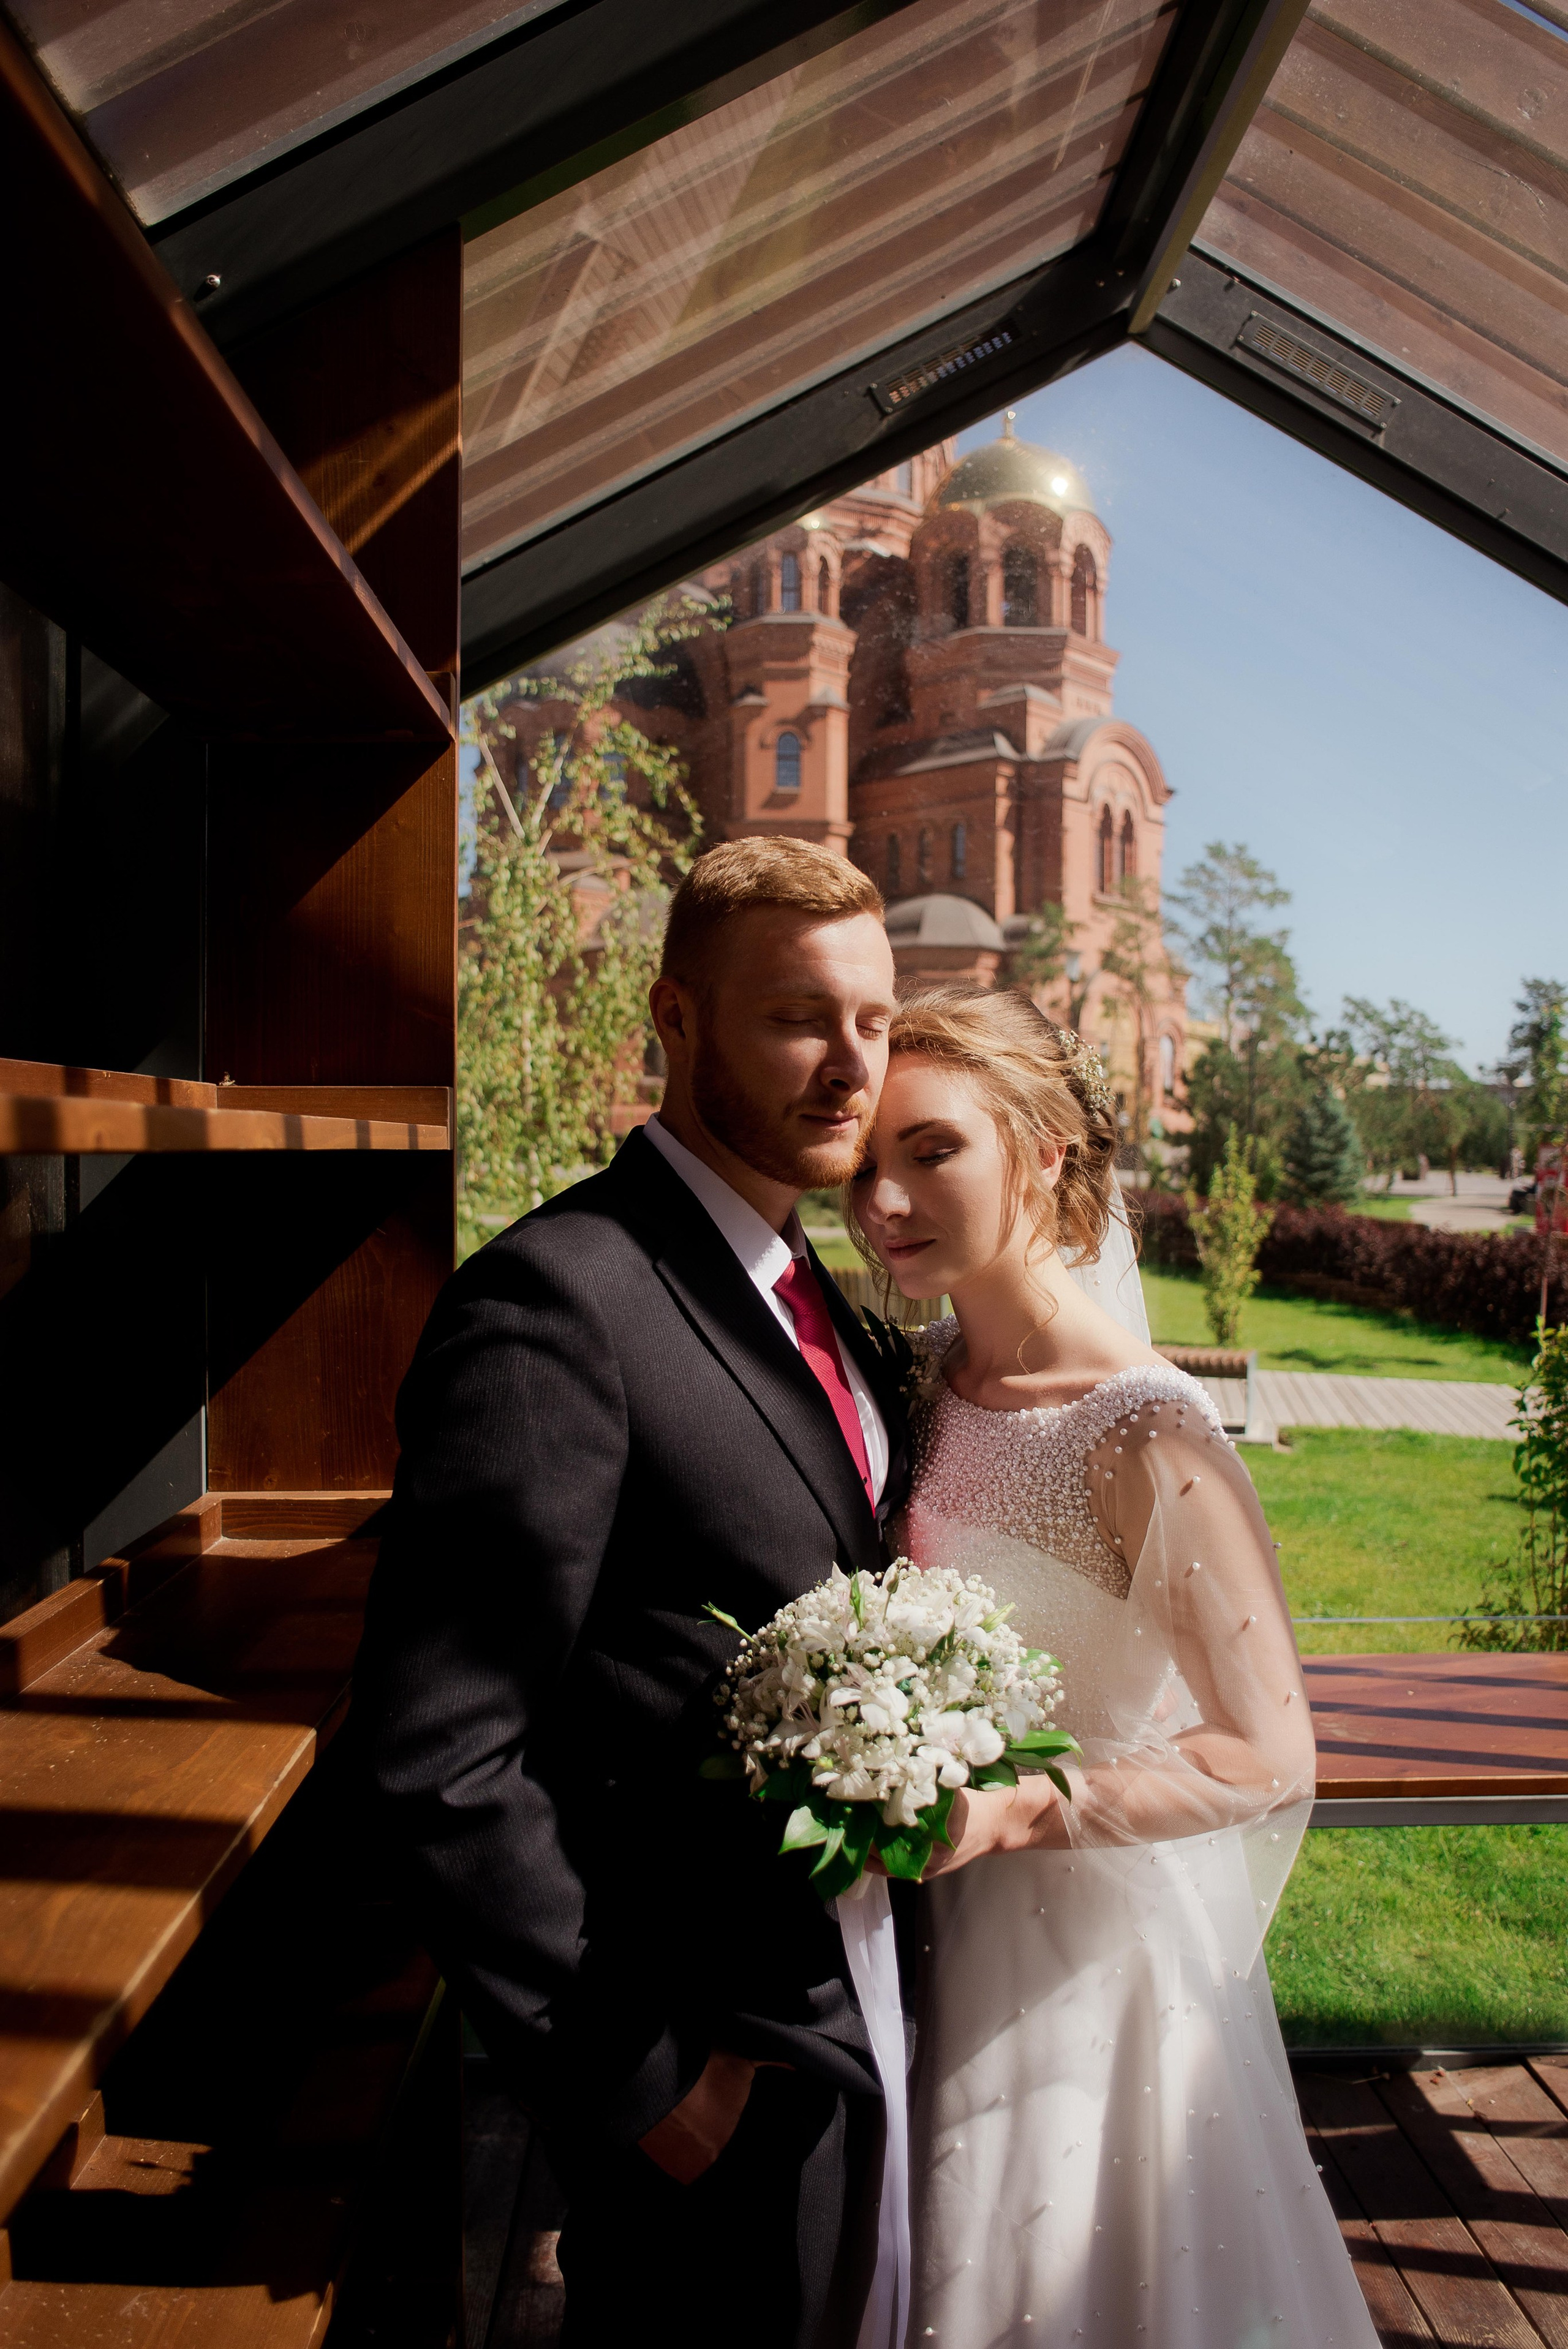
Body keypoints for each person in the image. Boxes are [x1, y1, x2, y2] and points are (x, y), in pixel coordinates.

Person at [354, 837, 911, 2349]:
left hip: (858, 2039)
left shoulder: (825, 1307)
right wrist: (649, 2082)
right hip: (707, 2079)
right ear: (674, 1021)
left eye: (873, 1021)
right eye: (798, 1017)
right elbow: (438, 1749)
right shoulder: (558, 1300)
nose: (849, 1065)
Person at [848, 986, 1378, 2349]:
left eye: (930, 1150)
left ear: (1039, 1149)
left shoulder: (1147, 1433)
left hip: (1091, 1969)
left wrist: (1022, 1805)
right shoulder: (922, 1377)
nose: (882, 1199)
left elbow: (1269, 1754)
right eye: (865, 1163)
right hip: (928, 1936)